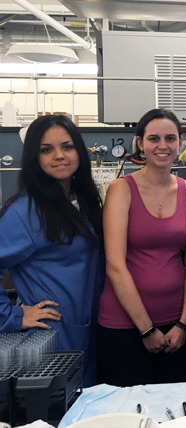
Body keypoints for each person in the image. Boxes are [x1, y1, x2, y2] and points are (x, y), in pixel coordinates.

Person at [97, 109, 186, 386]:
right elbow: (115, 266)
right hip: (125, 325)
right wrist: (146, 330)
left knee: (176, 410)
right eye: (153, 138)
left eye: (170, 138)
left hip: (176, 324)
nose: (162, 146)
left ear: (180, 143)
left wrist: (184, 323)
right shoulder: (121, 189)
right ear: (140, 144)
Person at [0, 115, 103, 386]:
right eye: (46, 150)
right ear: (34, 157)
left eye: (67, 147)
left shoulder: (83, 200)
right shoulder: (25, 212)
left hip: (89, 331)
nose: (60, 156)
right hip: (53, 336)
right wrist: (11, 316)